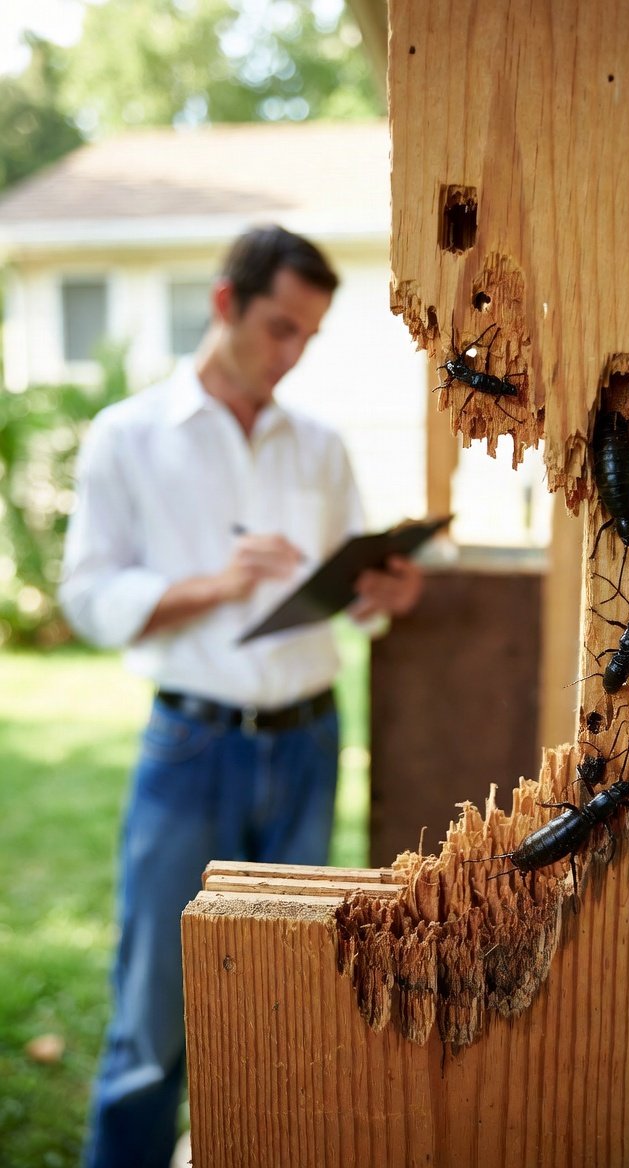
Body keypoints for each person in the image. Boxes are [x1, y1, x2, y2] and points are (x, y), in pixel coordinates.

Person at [59, 225, 423, 1168]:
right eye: (278, 328)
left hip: (309, 744)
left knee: (280, 1002)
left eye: (309, 335)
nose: (292, 353)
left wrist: (388, 591)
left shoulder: (321, 444)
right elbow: (88, 599)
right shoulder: (127, 436)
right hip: (192, 749)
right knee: (154, 1009)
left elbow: (357, 588)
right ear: (224, 304)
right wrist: (211, 586)